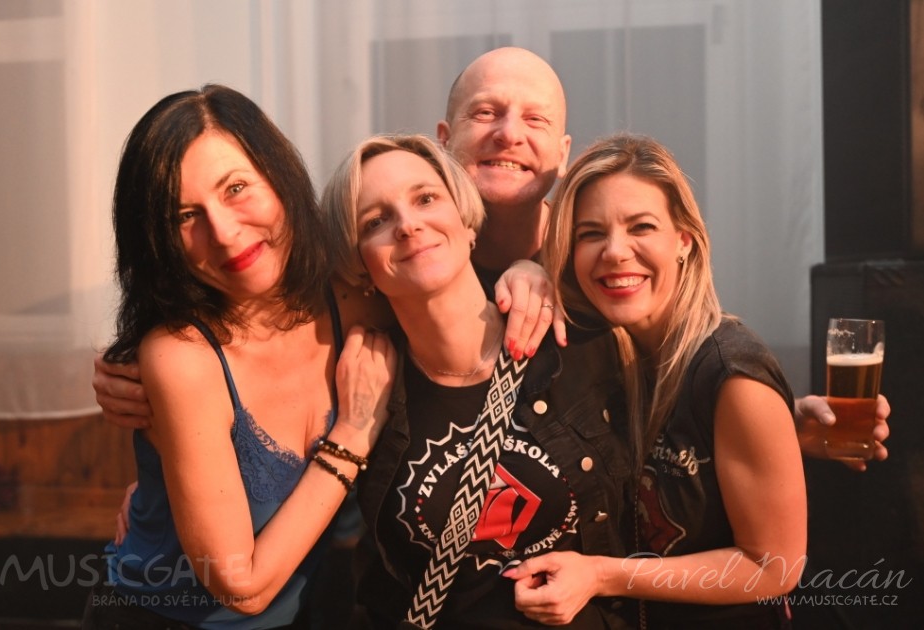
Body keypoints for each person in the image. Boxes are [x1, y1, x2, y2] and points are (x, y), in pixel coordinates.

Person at [92, 46, 890, 468]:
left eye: (533, 119)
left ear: (562, 152)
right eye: (485, 113)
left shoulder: (597, 264)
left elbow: (669, 379)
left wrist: (777, 425)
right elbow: (265, 321)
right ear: (443, 141)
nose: (509, 132)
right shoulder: (397, 256)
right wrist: (134, 370)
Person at [81, 84, 396, 629]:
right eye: (185, 216)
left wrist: (529, 275)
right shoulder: (181, 355)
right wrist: (353, 433)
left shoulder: (358, 299)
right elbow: (239, 587)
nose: (224, 234)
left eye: (236, 188)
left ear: (279, 175)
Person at [321, 133, 634, 629]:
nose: (408, 225)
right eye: (375, 221)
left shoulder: (579, 344)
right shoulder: (362, 385)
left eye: (426, 198)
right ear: (360, 266)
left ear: (467, 222)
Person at [506, 132, 808, 628]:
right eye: (590, 234)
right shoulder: (607, 352)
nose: (615, 252)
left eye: (641, 226)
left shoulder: (732, 373)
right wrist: (523, 269)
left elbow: (773, 568)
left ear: (683, 240)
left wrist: (601, 575)